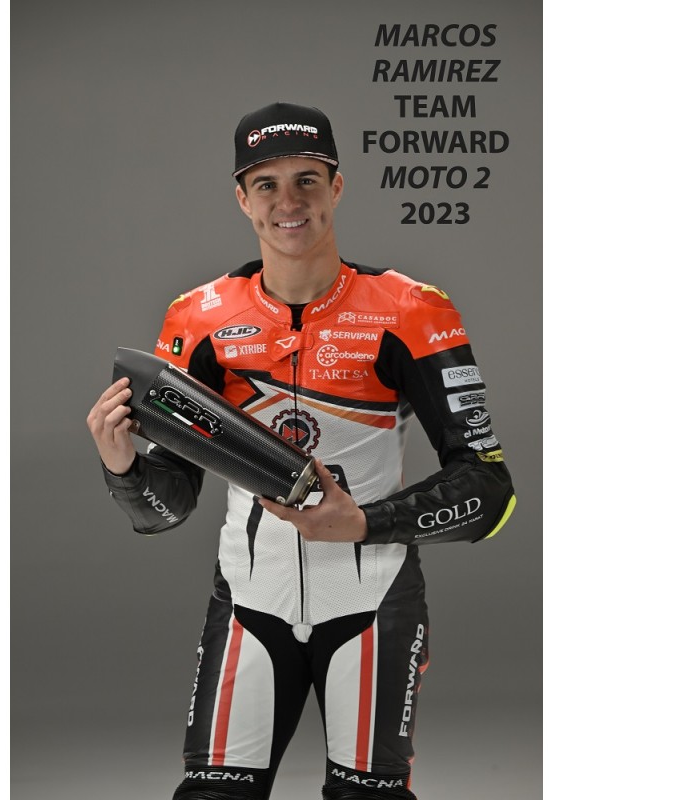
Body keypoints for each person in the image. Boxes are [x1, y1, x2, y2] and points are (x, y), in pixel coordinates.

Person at [86, 101, 516, 800]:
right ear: (242, 198)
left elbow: (490, 492)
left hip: (374, 602)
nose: (289, 203)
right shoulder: (198, 318)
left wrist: (365, 523)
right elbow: (166, 509)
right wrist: (122, 467)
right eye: (267, 184)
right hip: (250, 601)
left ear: (336, 187)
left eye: (307, 180)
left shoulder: (411, 310)